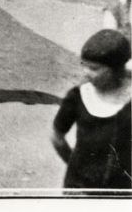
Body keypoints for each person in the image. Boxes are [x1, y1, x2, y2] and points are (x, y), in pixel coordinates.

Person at [51, 30, 131, 191]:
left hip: (123, 189)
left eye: (94, 68)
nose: (86, 74)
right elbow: (57, 137)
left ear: (116, 69)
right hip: (80, 188)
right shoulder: (77, 96)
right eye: (84, 66)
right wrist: (75, 166)